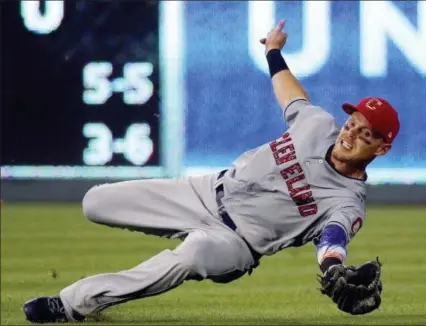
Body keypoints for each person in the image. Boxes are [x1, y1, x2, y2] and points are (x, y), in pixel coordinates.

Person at [23, 20, 399, 323]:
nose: (352, 133)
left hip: (235, 244)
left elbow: (333, 239)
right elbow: (289, 92)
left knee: (189, 257)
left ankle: (71, 305)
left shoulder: (347, 202)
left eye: (366, 133)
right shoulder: (317, 124)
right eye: (353, 122)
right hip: (203, 192)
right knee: (95, 202)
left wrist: (333, 267)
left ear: (382, 148)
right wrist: (272, 51)